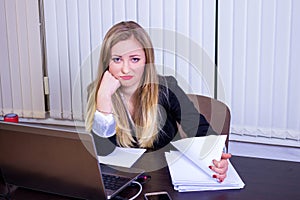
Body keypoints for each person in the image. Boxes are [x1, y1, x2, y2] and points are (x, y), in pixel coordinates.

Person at [85, 21, 231, 182]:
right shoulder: (99, 94)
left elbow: (201, 129)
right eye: (117, 59)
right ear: (107, 62)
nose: (125, 69)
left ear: (147, 60)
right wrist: (104, 100)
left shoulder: (167, 88)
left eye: (134, 59)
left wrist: (219, 157)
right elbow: (102, 151)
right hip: (123, 181)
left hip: (164, 180)